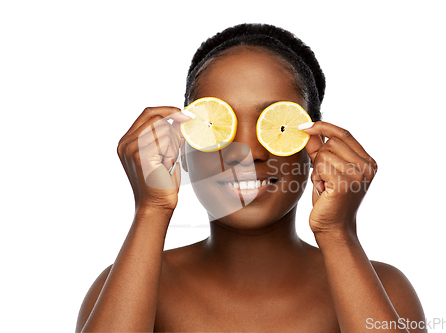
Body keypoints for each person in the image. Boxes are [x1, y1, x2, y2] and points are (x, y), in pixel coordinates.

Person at [76, 23, 426, 332]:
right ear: (183, 146)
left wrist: (339, 233)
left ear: (315, 145)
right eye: (216, 125)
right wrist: (150, 210)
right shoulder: (122, 287)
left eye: (275, 125)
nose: (247, 152)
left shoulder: (385, 289)